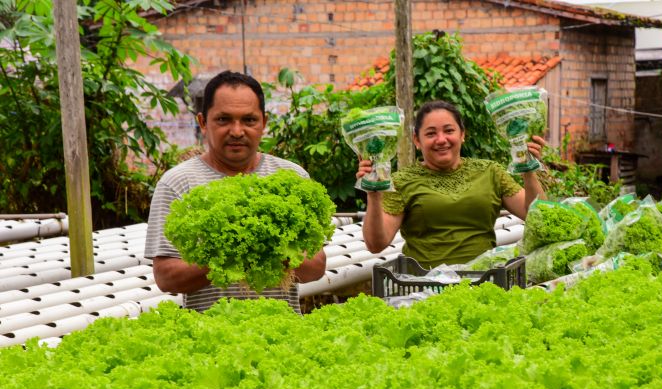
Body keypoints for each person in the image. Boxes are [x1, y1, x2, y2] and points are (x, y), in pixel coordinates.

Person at [144, 70, 326, 313]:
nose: (237, 131)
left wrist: (271, 247)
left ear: (264, 123)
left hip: (283, 340)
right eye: (223, 120)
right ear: (203, 123)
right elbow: (166, 277)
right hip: (210, 341)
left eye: (249, 120)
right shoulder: (178, 183)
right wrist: (232, 254)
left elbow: (316, 268)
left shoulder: (293, 178)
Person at [357, 100, 549, 268]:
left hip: (485, 279)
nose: (441, 140)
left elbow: (538, 218)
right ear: (417, 140)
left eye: (449, 131)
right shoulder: (402, 181)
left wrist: (528, 170)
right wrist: (373, 195)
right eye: (431, 133)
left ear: (462, 134)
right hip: (424, 285)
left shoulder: (490, 172)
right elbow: (376, 244)